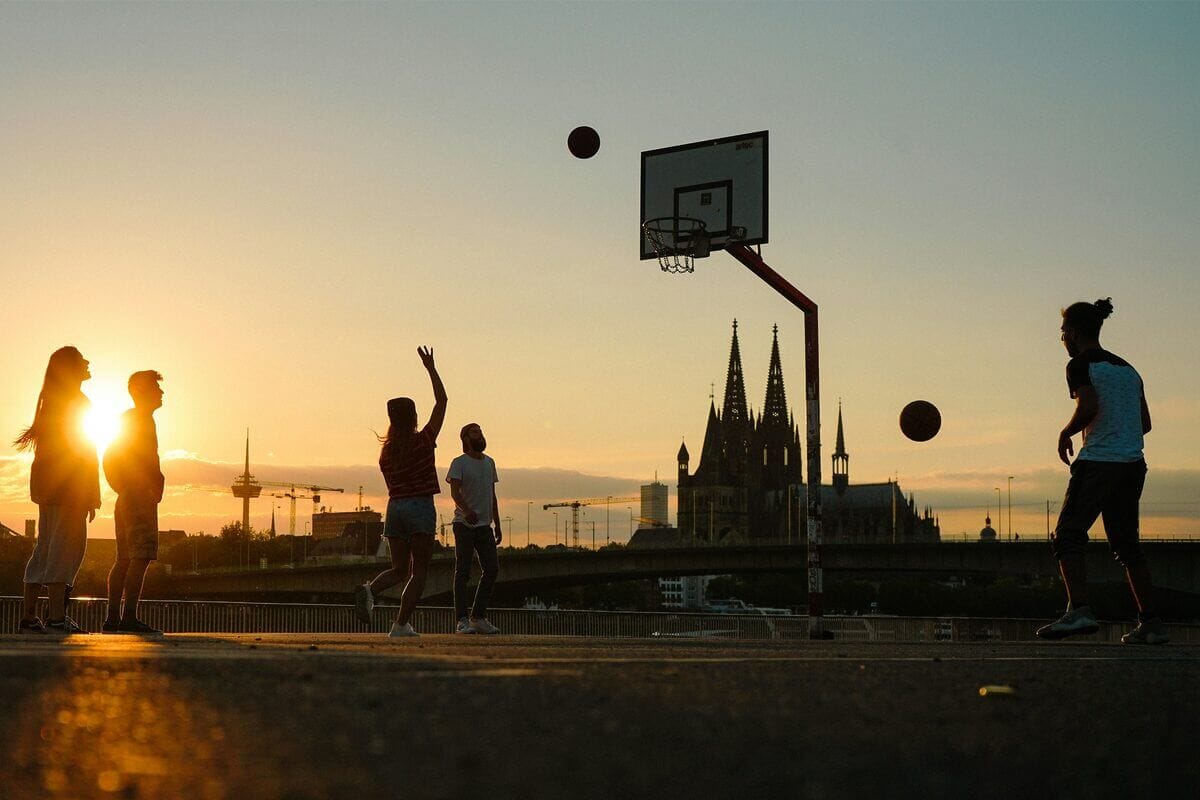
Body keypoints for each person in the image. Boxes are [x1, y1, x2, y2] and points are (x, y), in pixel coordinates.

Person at [1037, 298, 1167, 644]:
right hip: (1133, 465)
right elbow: (1145, 423)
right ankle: (1151, 624)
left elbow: (1090, 405)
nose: (1061, 338)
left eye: (1063, 331)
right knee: (1127, 547)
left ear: (1075, 333)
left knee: (1067, 535)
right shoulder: (1129, 370)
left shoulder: (1080, 365)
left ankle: (1078, 610)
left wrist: (1067, 431)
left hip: (1098, 463)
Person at [353, 347, 446, 637]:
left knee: (398, 570)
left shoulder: (387, 452)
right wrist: (430, 368)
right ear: (415, 416)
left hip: (395, 508)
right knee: (419, 573)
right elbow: (442, 401)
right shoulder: (424, 441)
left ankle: (370, 589)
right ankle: (400, 624)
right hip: (419, 508)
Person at [14, 346, 101, 635]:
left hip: (49, 487)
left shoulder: (52, 402)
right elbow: (84, 452)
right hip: (70, 488)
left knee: (45, 549)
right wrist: (91, 492)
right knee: (65, 550)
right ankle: (56, 618)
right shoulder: (77, 402)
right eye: (82, 360)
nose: (88, 362)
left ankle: (29, 616)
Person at [102, 371, 166, 635]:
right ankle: (128, 617)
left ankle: (113, 618)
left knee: (125, 558)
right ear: (143, 391)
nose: (162, 393)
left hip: (129, 496)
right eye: (156, 388)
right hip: (139, 497)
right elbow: (117, 457)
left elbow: (109, 456)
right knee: (140, 556)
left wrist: (122, 487)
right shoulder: (140, 421)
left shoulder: (131, 420)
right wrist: (145, 487)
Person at [447, 423, 501, 634]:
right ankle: (462, 620)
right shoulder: (459, 463)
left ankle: (478, 616)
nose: (480, 434)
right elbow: (455, 493)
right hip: (464, 525)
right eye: (475, 431)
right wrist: (467, 510)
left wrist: (496, 522)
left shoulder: (490, 463)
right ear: (465, 438)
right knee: (463, 572)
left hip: (485, 526)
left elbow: (492, 494)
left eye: (481, 431)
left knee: (492, 569)